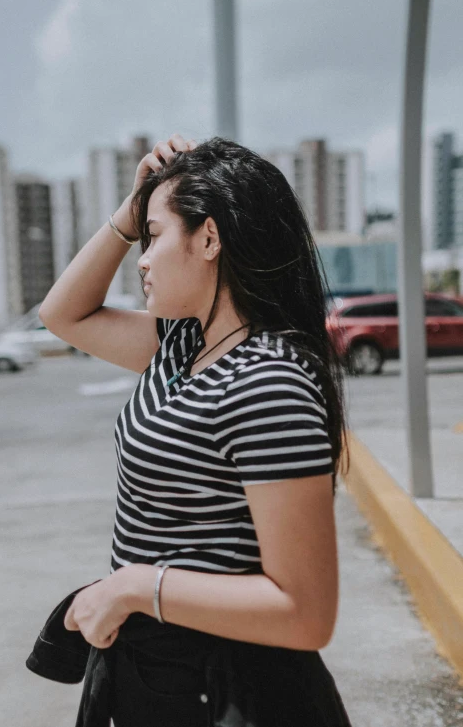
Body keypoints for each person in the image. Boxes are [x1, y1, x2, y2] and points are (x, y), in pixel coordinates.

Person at [38, 133, 353, 726]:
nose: (142, 257)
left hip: (228, 687)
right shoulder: (183, 345)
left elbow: (306, 612)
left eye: (154, 236)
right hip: (158, 676)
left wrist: (133, 587)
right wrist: (132, 212)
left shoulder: (267, 381)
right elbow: (63, 313)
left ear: (209, 237)